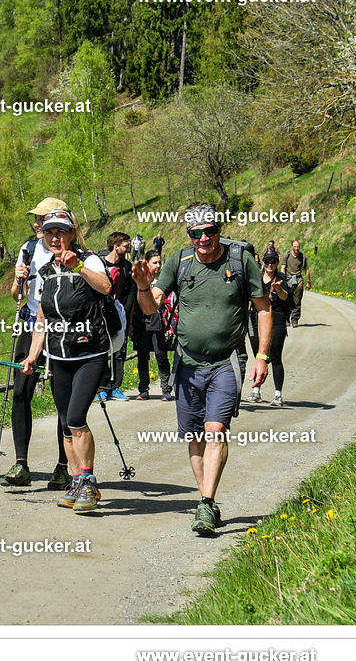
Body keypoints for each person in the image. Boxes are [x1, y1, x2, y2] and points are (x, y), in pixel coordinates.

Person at [132, 202, 271, 536]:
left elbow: (263, 308)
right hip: (188, 363)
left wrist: (262, 356)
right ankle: (207, 501)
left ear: (219, 230)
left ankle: (206, 503)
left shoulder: (240, 261)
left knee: (214, 431)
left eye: (210, 231)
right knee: (194, 437)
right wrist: (141, 286)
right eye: (198, 233)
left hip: (227, 361)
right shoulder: (178, 263)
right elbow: (152, 306)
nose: (205, 238)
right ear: (189, 234)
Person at [21, 209, 114, 513]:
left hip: (90, 353)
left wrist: (79, 267)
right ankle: (76, 481)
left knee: (76, 418)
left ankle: (88, 483)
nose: (55, 238)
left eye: (61, 232)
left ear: (73, 233)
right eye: (49, 233)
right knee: (64, 424)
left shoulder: (89, 260)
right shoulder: (45, 270)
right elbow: (42, 318)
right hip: (59, 355)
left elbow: (106, 288)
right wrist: (33, 355)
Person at [0, 197, 73, 490]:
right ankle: (21, 464)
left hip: (62, 328)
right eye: (37, 220)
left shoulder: (69, 251)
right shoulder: (28, 248)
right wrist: (17, 279)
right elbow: (16, 294)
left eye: (41, 218)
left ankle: (63, 466)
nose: (36, 223)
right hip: (31, 324)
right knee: (20, 392)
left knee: (63, 400)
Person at [246, 250, 293, 406]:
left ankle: (278, 394)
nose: (270, 264)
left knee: (275, 357)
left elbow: (286, 296)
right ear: (263, 263)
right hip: (255, 320)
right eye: (267, 261)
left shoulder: (281, 279)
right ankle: (256, 391)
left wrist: (278, 289)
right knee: (258, 356)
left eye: (273, 261)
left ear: (277, 262)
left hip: (277, 320)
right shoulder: (256, 279)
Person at [131, 250, 172, 401]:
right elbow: (133, 303)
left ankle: (166, 389)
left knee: (161, 356)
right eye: (155, 262)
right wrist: (130, 325)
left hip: (158, 323)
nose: (158, 265)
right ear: (147, 264)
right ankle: (143, 389)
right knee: (142, 358)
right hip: (141, 324)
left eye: (159, 262)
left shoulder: (163, 280)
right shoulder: (139, 279)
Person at [101, 231, 133, 401]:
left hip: (120, 316)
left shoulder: (127, 267)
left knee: (119, 351)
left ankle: (116, 387)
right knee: (101, 351)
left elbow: (132, 292)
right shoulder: (99, 263)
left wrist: (128, 316)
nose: (128, 249)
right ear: (116, 246)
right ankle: (102, 387)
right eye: (126, 246)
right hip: (100, 315)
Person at [282, 240, 311, 327]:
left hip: (298, 279)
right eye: (295, 247)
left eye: (298, 246)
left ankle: (295, 319)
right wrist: (283, 280)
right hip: (289, 279)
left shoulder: (302, 257)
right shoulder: (287, 255)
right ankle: (287, 318)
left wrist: (308, 282)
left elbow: (306, 270)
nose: (296, 248)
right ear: (292, 247)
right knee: (288, 299)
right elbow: (283, 267)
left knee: (297, 300)